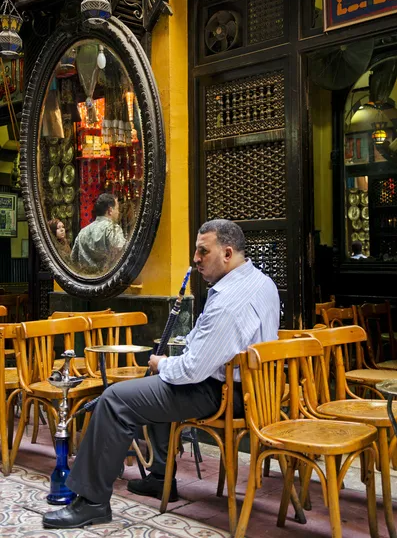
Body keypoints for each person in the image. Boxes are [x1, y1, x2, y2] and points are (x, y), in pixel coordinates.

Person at [43, 219, 280, 529]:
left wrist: (161, 364)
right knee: (154, 388)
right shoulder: (263, 282)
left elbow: (192, 370)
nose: (195, 259)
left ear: (227, 253)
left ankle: (91, 502)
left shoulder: (229, 302)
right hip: (257, 392)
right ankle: (159, 476)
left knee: (115, 399)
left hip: (221, 394)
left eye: (202, 251)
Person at [71, 193, 126, 273]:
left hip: (86, 282)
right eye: (117, 209)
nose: (118, 212)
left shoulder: (82, 232)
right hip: (107, 281)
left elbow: (73, 259)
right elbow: (123, 254)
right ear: (110, 210)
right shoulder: (113, 229)